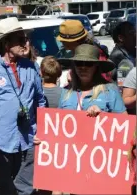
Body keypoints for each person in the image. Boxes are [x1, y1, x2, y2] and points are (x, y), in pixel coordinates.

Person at [35, 44, 127, 195]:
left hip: (99, 168)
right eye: (79, 63)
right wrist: (43, 139)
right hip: (72, 168)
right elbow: (57, 128)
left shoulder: (110, 91)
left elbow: (124, 129)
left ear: (96, 67)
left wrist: (103, 117)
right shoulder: (66, 92)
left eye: (88, 64)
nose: (83, 67)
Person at [0, 17, 46, 195]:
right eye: (21, 40)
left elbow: (40, 101)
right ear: (6, 43)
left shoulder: (31, 67)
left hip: (29, 139)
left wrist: (43, 131)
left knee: (26, 190)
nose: (26, 43)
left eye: (26, 39)